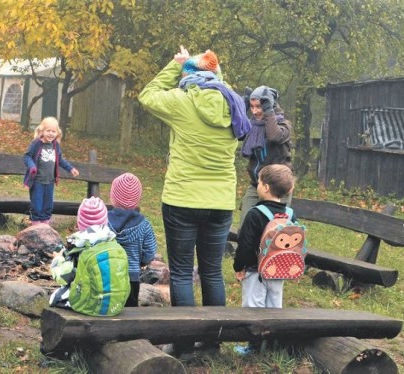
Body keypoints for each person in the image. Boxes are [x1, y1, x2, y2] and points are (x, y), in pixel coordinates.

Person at [138, 46, 249, 357]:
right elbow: (214, 79)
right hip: (221, 201)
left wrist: (176, 65)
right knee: (213, 272)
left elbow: (148, 94)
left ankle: (185, 344)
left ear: (188, 75)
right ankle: (212, 343)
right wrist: (205, 65)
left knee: (183, 271)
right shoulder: (233, 104)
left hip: (183, 198)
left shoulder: (182, 100)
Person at [233, 164, 295, 355]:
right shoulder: (290, 214)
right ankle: (274, 345)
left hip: (255, 270)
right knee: (275, 306)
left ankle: (254, 347)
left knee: (254, 307)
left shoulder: (255, 213)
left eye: (259, 182)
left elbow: (245, 244)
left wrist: (239, 266)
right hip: (280, 270)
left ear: (266, 187)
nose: (257, 185)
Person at [238, 85, 293, 229]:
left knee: (274, 232)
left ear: (270, 105)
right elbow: (238, 132)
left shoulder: (284, 124)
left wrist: (269, 112)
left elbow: (274, 136)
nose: (255, 111)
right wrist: (242, 109)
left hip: (278, 188)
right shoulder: (253, 125)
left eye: (259, 106)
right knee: (245, 228)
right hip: (257, 185)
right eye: (252, 106)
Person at [107, 173, 157, 307]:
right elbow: (150, 251)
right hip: (131, 277)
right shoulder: (144, 224)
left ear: (113, 196)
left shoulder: (103, 221)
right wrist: (143, 261)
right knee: (130, 312)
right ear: (137, 199)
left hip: (106, 274)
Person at [23, 116, 79, 225]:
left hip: (50, 181)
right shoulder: (36, 143)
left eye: (53, 131)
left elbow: (60, 160)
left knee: (48, 205)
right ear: (42, 131)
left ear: (57, 133)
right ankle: (36, 225)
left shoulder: (55, 145)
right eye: (48, 131)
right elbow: (27, 157)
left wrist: (70, 168)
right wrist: (32, 166)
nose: (51, 134)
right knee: (37, 205)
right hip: (37, 181)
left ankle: (45, 224)